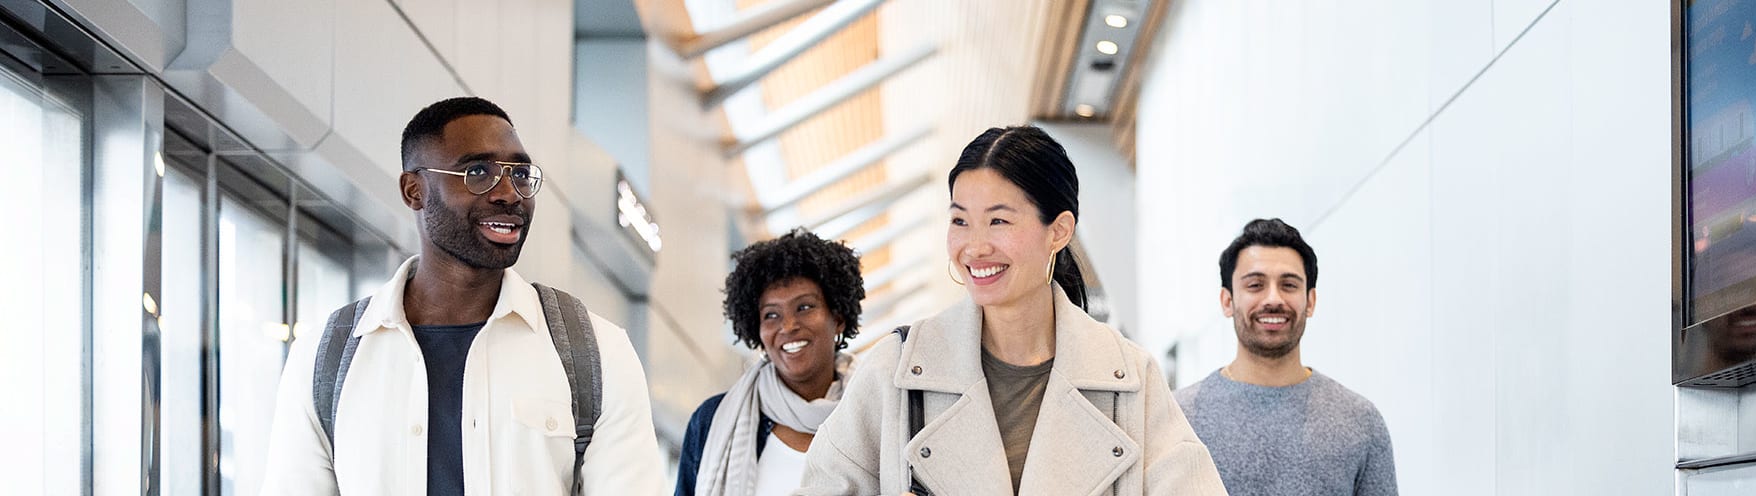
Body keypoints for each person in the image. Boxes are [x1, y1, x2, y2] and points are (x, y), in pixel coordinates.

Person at [260, 97, 665, 495]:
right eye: (477, 171)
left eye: (520, 174)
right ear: (414, 190)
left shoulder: (597, 353)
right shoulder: (323, 359)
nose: (509, 193)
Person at [797, 126, 1226, 495]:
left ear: (1058, 230)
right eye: (960, 221)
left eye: (999, 221)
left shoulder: (1128, 377)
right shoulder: (898, 369)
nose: (975, 246)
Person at [1174, 218, 1396, 496]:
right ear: (1227, 301)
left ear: (1310, 301)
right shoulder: (1178, 419)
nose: (1273, 299)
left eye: (1289, 285)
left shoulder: (1361, 421)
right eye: (1255, 285)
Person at [676, 229, 866, 496]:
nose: (788, 326)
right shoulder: (711, 420)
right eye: (771, 315)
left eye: (805, 307)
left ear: (838, 318)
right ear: (757, 330)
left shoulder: (874, 412)